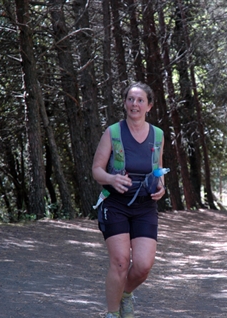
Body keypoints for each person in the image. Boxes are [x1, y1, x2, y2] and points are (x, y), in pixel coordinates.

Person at [92, 82, 166, 318]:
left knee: (143, 266)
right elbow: (96, 170)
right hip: (115, 204)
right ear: (125, 103)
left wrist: (162, 187)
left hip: (145, 206)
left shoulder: (158, 135)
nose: (135, 104)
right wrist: (112, 179)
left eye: (140, 100)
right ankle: (112, 314)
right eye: (130, 99)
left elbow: (158, 168)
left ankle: (124, 294)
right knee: (121, 262)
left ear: (149, 106)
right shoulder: (113, 132)